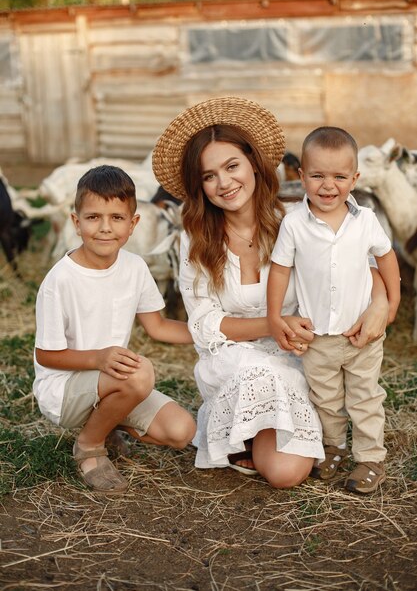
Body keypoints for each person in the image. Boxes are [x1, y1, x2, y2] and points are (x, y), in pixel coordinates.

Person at [151, 97, 390, 488]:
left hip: (297, 356)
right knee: (255, 376)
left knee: (285, 473)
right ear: (199, 185)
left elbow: (357, 266)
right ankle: (241, 424)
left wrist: (380, 303)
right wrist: (274, 324)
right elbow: (205, 323)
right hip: (234, 360)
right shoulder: (195, 238)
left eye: (232, 167)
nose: (224, 183)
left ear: (253, 164)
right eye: (209, 176)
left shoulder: (294, 219)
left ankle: (255, 435)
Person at [33, 165, 196, 494]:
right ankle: (90, 446)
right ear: (76, 222)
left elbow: (159, 326)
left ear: (133, 223)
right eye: (93, 217)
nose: (105, 228)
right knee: (140, 373)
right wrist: (99, 358)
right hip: (64, 393)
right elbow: (46, 355)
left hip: (111, 382)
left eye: (117, 218)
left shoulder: (134, 268)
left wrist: (213, 330)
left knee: (182, 431)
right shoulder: (60, 280)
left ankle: (105, 422)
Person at [267, 126, 401, 494]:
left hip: (361, 333)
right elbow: (280, 270)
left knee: (365, 397)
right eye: (318, 176)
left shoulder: (366, 220)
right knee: (325, 398)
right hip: (318, 337)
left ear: (355, 178)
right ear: (301, 176)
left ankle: (371, 458)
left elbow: (386, 257)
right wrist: (275, 316)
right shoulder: (294, 223)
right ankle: (334, 448)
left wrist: (392, 301)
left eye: (340, 176)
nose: (329, 186)